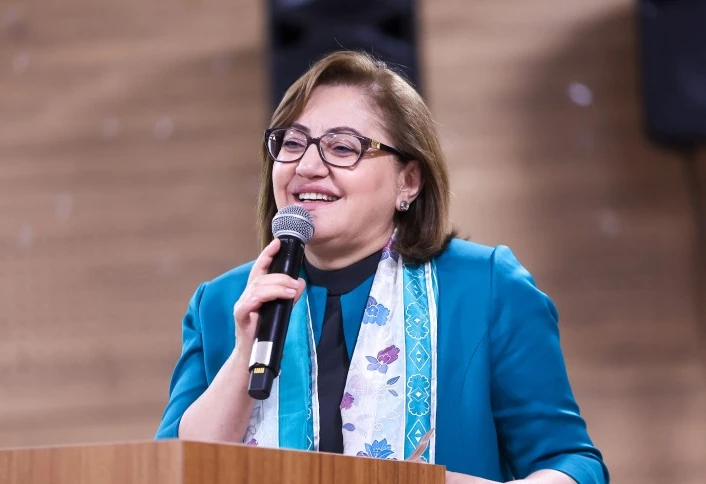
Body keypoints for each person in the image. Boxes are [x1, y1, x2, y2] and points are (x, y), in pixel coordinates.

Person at [155, 50, 609, 484]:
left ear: (408, 181)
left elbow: (571, 461)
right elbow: (168, 471)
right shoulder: (222, 303)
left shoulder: (484, 286)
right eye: (292, 143)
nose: (307, 165)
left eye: (342, 147)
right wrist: (244, 356)